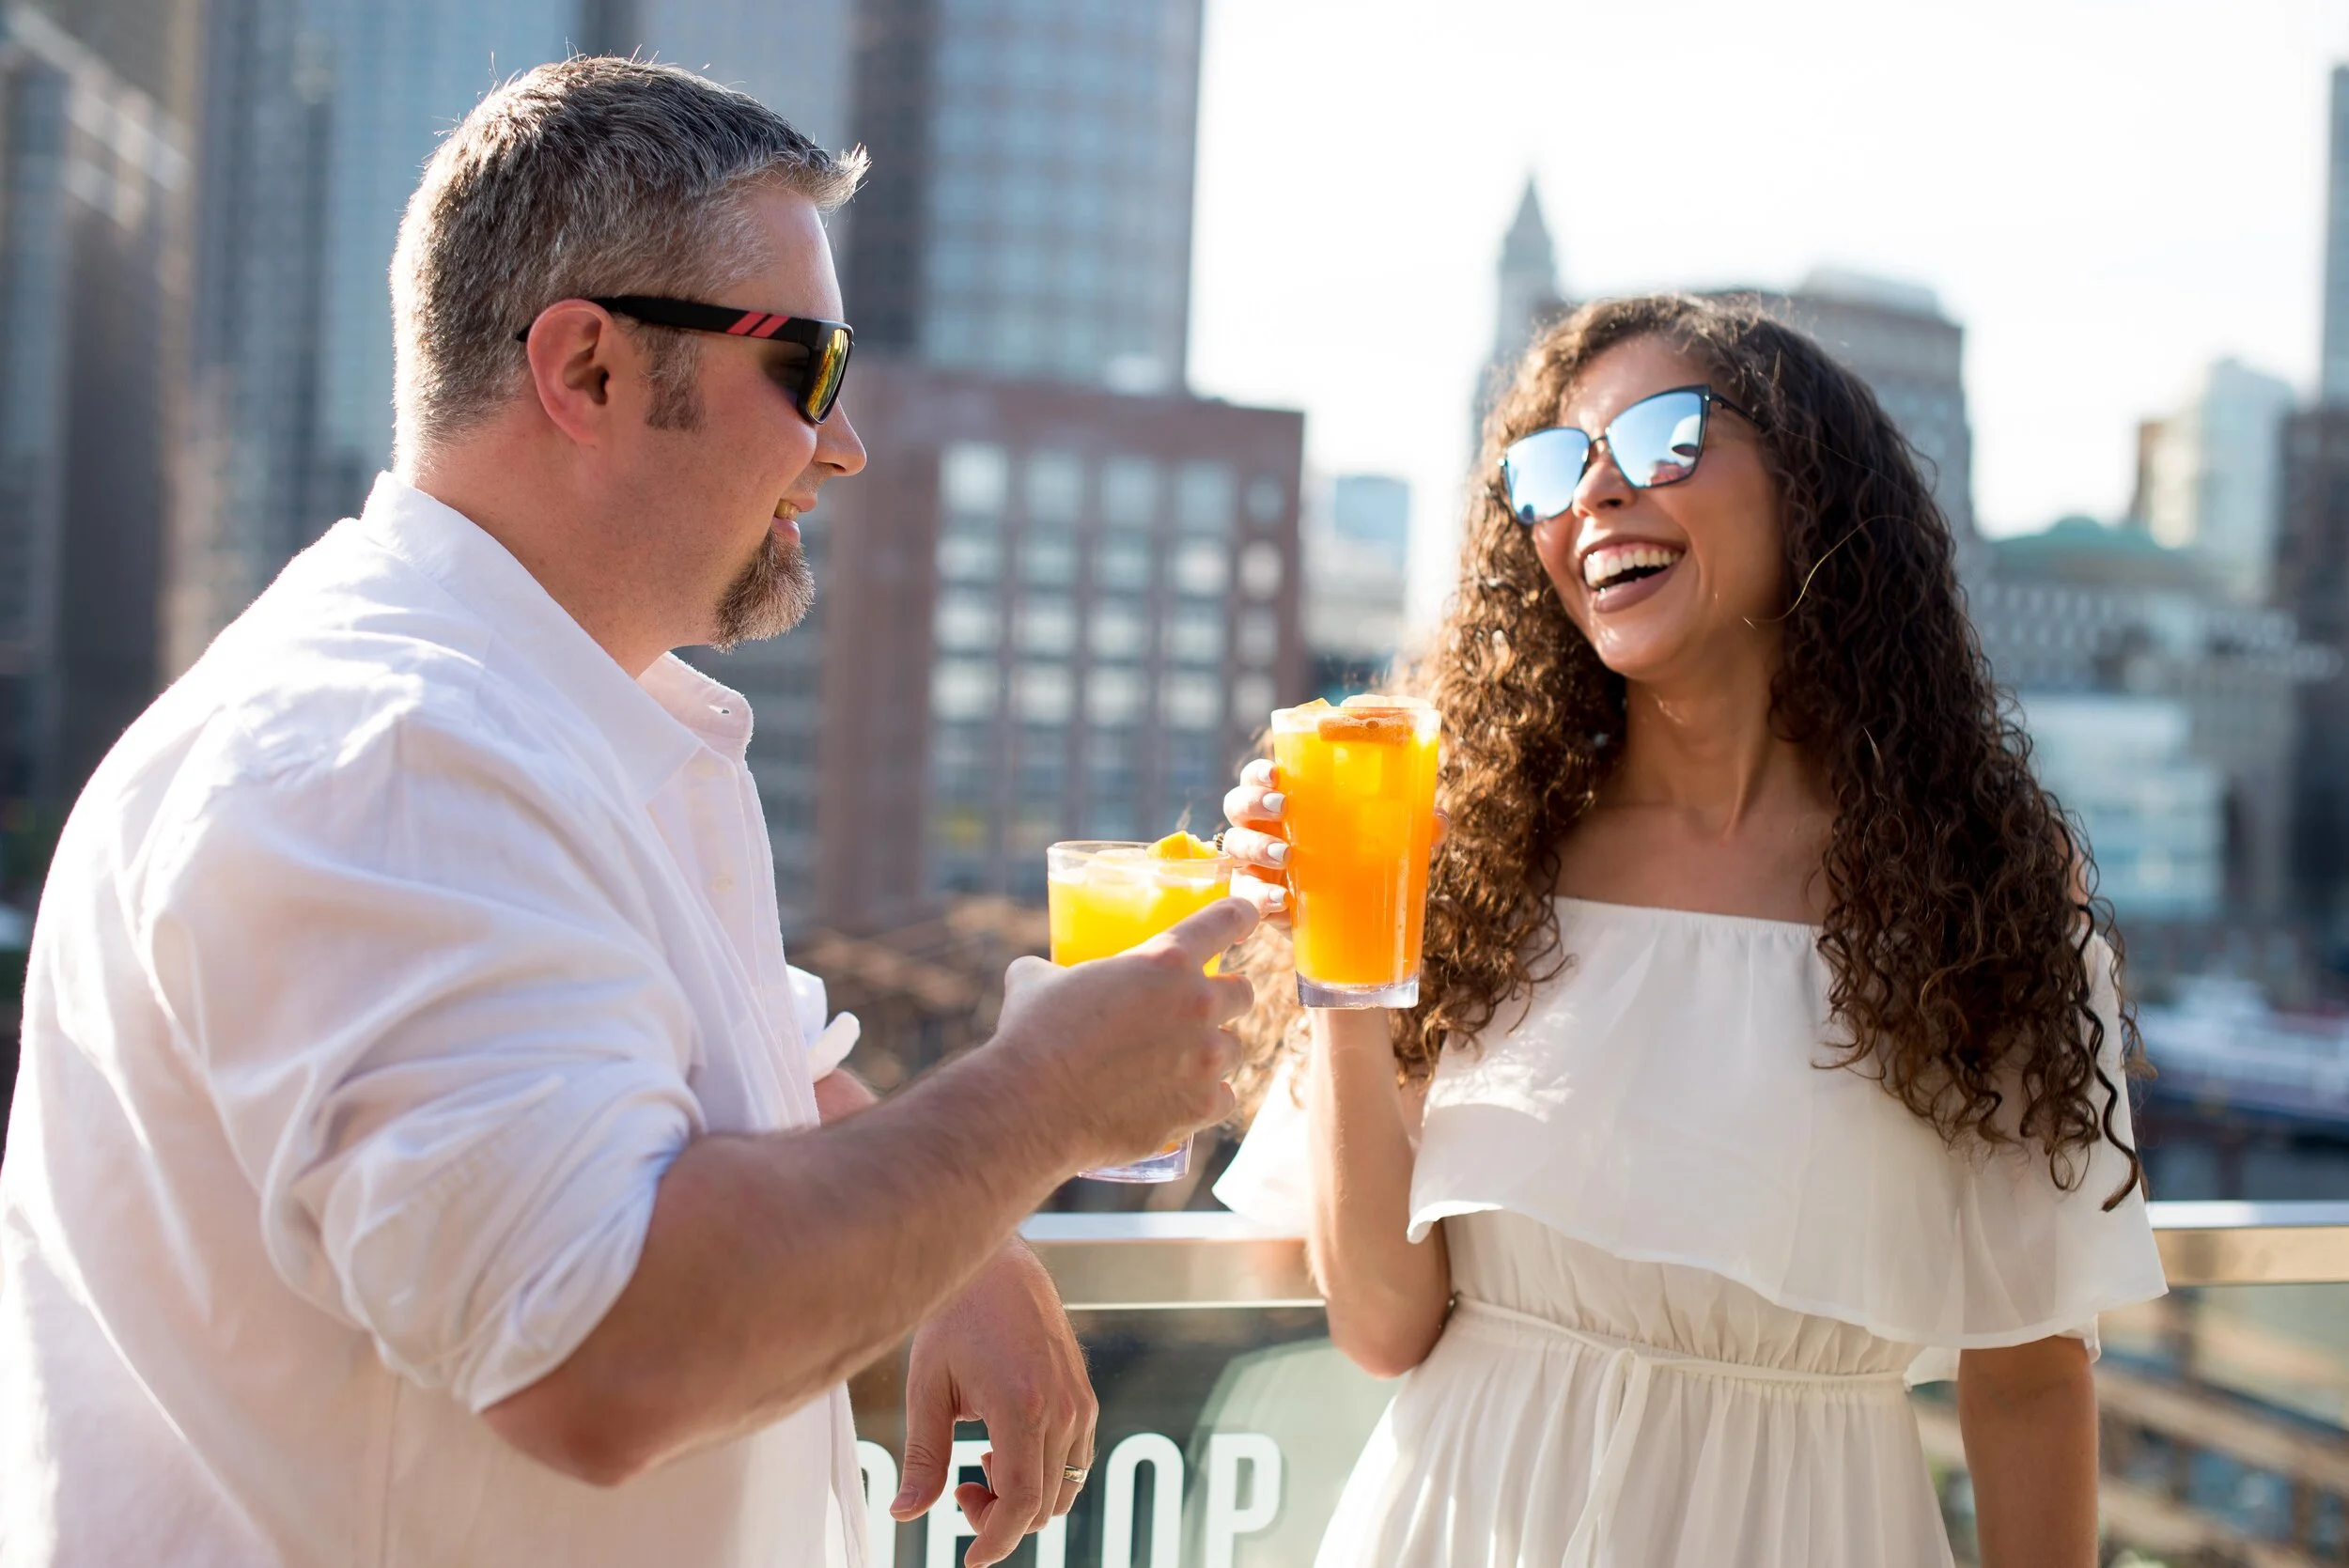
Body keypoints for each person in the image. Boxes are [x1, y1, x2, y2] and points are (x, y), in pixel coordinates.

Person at [0, 57, 1257, 1568]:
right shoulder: (382, 756)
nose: (842, 445)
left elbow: (744, 1071)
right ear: (586, 368)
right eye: (808, 370)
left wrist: (960, 1250)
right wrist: (1040, 1104)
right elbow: (601, 1353)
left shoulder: (549, 715)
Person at [1215, 293, 2166, 1568]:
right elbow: (1385, 1328)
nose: (1594, 496)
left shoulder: (1977, 890)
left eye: (1663, 439)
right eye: (1555, 469)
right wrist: (1348, 951)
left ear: (1812, 490)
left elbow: (2032, 1382)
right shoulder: (1465, 856)